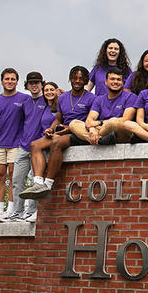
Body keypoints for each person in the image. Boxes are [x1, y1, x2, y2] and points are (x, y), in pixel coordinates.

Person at [20, 66, 96, 200]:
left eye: (81, 79)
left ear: (86, 81)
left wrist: (69, 129)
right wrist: (50, 128)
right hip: (61, 130)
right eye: (74, 78)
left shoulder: (92, 98)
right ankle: (38, 183)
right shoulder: (62, 98)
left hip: (78, 132)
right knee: (35, 145)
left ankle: (48, 184)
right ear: (70, 79)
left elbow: (91, 121)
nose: (77, 81)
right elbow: (58, 119)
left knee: (56, 142)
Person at [0, 68, 29, 223]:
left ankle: (11, 211)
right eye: (7, 79)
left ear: (17, 81)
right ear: (2, 81)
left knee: (14, 177)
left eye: (13, 79)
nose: (10, 82)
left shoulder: (24, 99)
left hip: (17, 144)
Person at [8, 71, 46, 223]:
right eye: (31, 83)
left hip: (39, 147)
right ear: (27, 85)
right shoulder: (24, 103)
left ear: (42, 83)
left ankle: (32, 211)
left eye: (37, 82)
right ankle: (17, 212)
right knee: (17, 180)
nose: (34, 85)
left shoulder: (48, 100)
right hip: (23, 147)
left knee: (35, 182)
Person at [69, 69, 136, 145]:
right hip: (101, 129)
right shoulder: (99, 99)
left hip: (119, 130)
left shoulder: (130, 97)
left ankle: (90, 139)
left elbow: (125, 119)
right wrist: (91, 129)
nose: (116, 82)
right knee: (74, 123)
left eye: (119, 80)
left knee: (113, 122)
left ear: (122, 83)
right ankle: (95, 139)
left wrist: (100, 123)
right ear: (106, 82)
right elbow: (89, 120)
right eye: (112, 79)